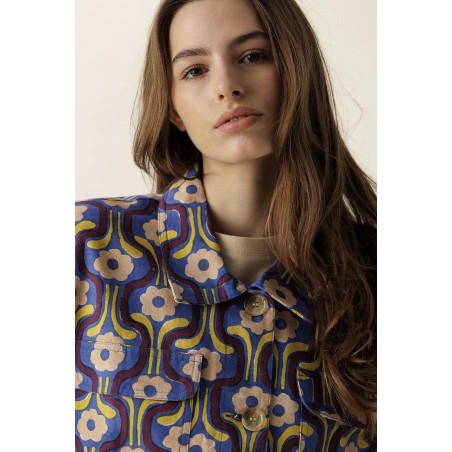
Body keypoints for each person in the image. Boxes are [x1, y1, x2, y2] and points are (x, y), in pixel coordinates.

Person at [75, 0, 377, 450]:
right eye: (195, 70)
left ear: (296, 69)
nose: (227, 86)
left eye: (252, 56)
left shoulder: (374, 272)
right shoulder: (88, 245)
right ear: (173, 108)